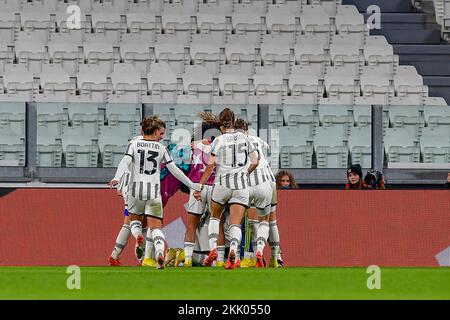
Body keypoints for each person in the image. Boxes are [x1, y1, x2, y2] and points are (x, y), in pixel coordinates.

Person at [109, 116, 202, 269]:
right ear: (154, 131)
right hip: (153, 191)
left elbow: (125, 162)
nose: (162, 137)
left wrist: (117, 178)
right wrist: (192, 185)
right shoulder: (161, 148)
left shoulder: (133, 144)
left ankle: (135, 240)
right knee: (156, 227)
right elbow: (174, 170)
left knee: (132, 222)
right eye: (161, 133)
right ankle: (159, 253)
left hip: (134, 190)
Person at [193, 108, 259, 270]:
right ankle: (234, 252)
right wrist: (244, 173)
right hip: (241, 186)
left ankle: (214, 249)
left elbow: (210, 166)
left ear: (221, 125)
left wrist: (199, 186)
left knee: (215, 218)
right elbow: (255, 161)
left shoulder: (220, 140)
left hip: (222, 184)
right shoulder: (244, 138)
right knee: (235, 224)